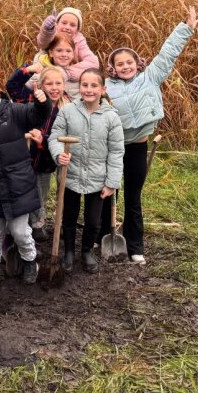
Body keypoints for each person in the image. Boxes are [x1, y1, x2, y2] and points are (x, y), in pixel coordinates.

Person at [99, 6, 198, 265]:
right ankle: (102, 238)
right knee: (108, 194)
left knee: (133, 197)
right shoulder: (105, 87)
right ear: (112, 68)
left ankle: (135, 246)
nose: (125, 66)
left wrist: (186, 28)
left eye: (129, 62)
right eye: (119, 64)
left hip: (137, 147)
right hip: (113, 148)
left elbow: (168, 53)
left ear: (137, 63)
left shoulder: (150, 78)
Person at [0, 70, 51, 285]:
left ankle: (29, 260)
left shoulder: (13, 111)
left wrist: (43, 102)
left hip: (18, 184)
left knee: (19, 231)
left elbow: (38, 115)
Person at [48, 69, 124, 274]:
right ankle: (69, 252)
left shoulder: (111, 117)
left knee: (93, 220)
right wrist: (59, 154)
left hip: (97, 177)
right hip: (70, 174)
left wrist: (112, 182)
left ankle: (87, 251)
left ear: (103, 89)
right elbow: (55, 136)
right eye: (85, 85)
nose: (89, 90)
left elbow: (116, 151)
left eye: (94, 86)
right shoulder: (68, 111)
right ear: (79, 87)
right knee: (69, 216)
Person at [8, 65, 71, 239]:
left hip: (46, 160)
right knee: (23, 190)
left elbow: (63, 136)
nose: (54, 88)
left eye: (58, 83)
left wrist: (43, 139)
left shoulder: (68, 108)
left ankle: (37, 224)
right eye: (49, 84)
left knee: (40, 193)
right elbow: (12, 87)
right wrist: (27, 70)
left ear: (64, 85)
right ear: (41, 85)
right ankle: (20, 225)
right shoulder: (30, 98)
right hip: (25, 156)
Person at [35, 7, 100, 84]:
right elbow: (42, 42)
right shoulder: (52, 34)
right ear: (57, 24)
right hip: (45, 71)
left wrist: (66, 73)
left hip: (69, 75)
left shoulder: (79, 40)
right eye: (64, 23)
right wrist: (47, 30)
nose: (67, 27)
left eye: (72, 25)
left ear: (77, 29)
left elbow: (93, 62)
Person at [14, 33, 80, 100]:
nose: (64, 54)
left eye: (68, 51)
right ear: (51, 53)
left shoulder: (77, 74)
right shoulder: (39, 71)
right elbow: (19, 89)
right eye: (59, 51)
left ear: (73, 54)